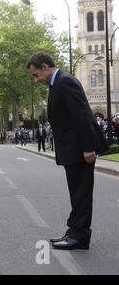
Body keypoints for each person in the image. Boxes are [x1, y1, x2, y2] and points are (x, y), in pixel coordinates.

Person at [27, 52, 108, 250]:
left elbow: (81, 115)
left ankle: (79, 236)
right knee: (77, 193)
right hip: (73, 148)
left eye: (36, 75)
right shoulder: (58, 83)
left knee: (81, 193)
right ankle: (74, 231)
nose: (36, 80)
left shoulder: (64, 82)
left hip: (79, 149)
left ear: (45, 67)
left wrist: (88, 147)